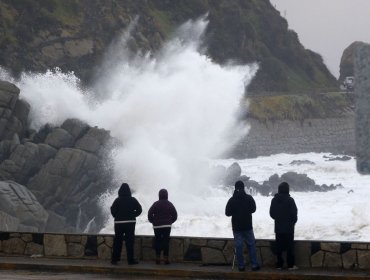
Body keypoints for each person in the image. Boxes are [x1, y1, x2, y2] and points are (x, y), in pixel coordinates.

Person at [225, 180, 260, 272]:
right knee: (251, 245)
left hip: (237, 227)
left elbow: (227, 213)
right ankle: (254, 265)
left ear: (235, 188)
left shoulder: (232, 200)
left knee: (239, 246)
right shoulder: (249, 198)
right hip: (248, 226)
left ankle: (241, 266)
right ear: (243, 188)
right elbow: (254, 209)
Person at [111, 183, 142, 265]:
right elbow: (139, 209)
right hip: (130, 223)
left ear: (120, 191)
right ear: (129, 191)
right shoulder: (133, 200)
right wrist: (133, 215)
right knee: (129, 241)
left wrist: (116, 216)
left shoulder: (117, 200)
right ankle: (130, 260)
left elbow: (112, 210)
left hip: (119, 223)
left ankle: (115, 259)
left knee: (118, 241)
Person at [269, 182, 298, 270]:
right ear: (287, 189)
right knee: (290, 247)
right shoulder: (290, 200)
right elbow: (294, 214)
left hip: (278, 227)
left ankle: (279, 265)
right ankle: (290, 265)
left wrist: (278, 219)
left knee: (279, 247)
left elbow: (272, 213)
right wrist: (293, 222)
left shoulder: (274, 200)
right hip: (289, 228)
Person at [148, 189, 177, 264]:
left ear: (159, 195)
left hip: (157, 226)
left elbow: (149, 214)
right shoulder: (169, 204)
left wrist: (153, 221)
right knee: (166, 241)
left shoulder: (155, 204)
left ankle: (157, 258)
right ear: (167, 195)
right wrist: (170, 222)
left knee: (157, 240)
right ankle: (166, 259)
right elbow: (175, 215)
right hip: (167, 226)